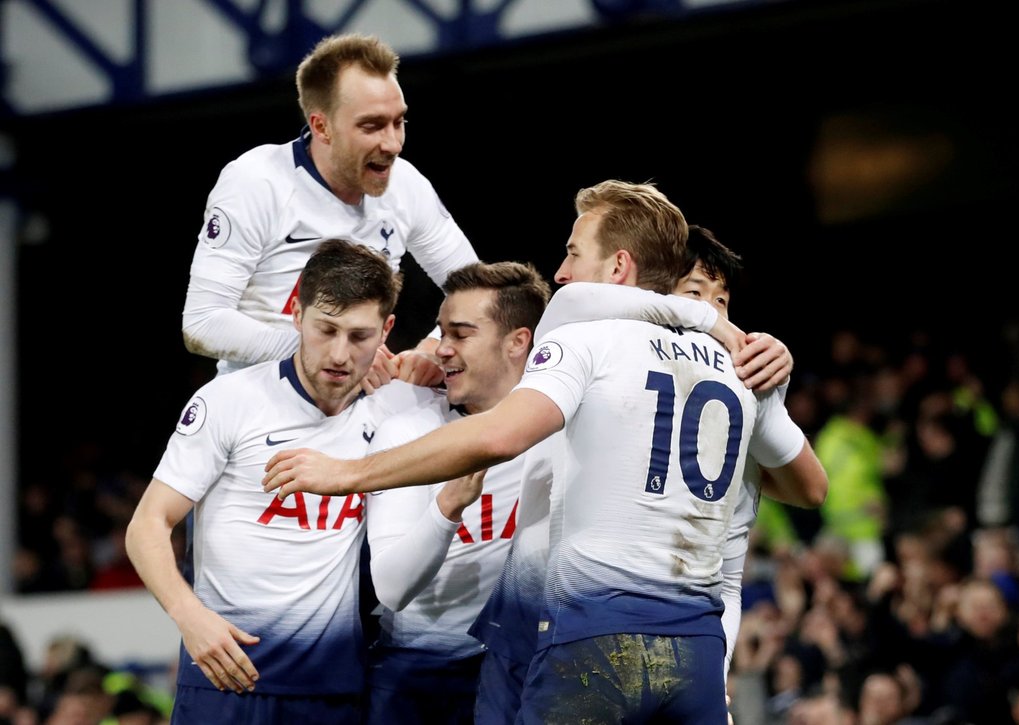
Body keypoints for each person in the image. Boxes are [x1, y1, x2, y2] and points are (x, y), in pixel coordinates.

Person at [263, 180, 825, 724]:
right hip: (693, 646)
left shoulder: (583, 336)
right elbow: (811, 489)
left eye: (573, 252)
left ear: (618, 267)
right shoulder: (742, 370)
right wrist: (720, 327)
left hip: (586, 634)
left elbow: (499, 431)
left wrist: (348, 473)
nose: (560, 272)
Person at [469, 225, 826, 723]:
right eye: (696, 296)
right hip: (548, 617)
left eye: (722, 301)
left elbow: (801, 496)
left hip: (609, 634)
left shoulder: (742, 380)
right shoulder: (604, 349)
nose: (713, 314)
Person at [126, 240, 436, 724]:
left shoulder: (401, 411)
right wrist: (189, 618)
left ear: (387, 331)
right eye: (325, 329)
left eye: (359, 336)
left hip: (334, 688)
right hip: (223, 678)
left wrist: (431, 364)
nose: (339, 353)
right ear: (296, 313)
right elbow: (147, 524)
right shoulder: (229, 400)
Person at [181, 32, 479, 385]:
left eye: (399, 122)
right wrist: (327, 353)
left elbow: (474, 292)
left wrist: (432, 348)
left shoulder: (407, 185)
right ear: (321, 127)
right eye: (371, 126)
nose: (393, 143)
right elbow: (202, 323)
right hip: (260, 402)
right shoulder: (256, 181)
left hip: (362, 402)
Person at [361, 260, 551, 724]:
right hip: (418, 674)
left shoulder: (562, 432)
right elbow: (391, 588)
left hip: (525, 667)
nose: (440, 350)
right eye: (441, 333)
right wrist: (446, 507)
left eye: (460, 335)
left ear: (518, 342)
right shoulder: (408, 430)